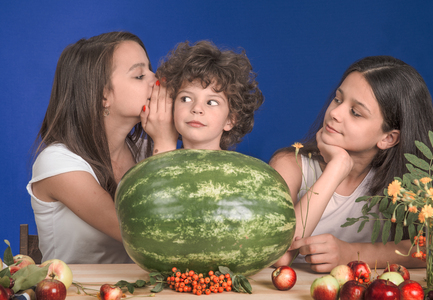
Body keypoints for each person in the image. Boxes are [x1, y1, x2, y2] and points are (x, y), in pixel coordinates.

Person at [270, 55, 433, 272]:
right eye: (338, 99)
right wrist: (337, 167)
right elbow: (280, 256)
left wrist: (351, 254)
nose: (334, 113)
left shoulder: (403, 188)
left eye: (355, 113)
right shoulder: (289, 165)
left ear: (388, 138)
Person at [26, 31, 178, 264]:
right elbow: (148, 238)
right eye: (139, 75)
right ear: (102, 95)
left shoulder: (146, 150)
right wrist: (167, 143)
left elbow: (180, 221)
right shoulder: (56, 162)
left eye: (150, 69)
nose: (156, 79)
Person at [155, 40, 264, 150]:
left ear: (231, 119)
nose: (197, 109)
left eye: (211, 102)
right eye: (186, 99)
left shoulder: (241, 167)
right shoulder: (157, 156)